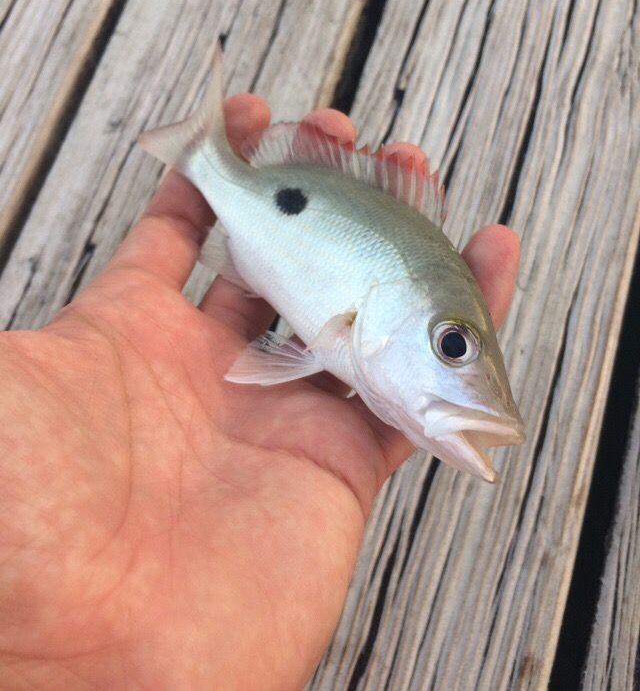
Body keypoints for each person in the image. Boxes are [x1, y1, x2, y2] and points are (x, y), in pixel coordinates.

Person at [0, 93, 519, 689]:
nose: (456, 359)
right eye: (453, 345)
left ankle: (203, 147)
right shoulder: (349, 325)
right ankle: (203, 151)